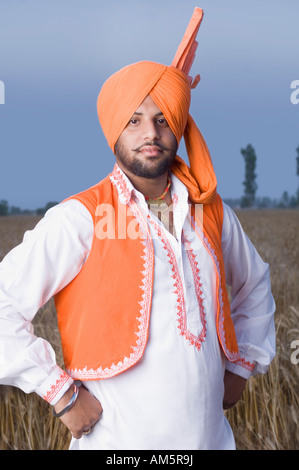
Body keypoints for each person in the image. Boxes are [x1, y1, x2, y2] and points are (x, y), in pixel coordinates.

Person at [0, 8, 275, 450]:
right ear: (114, 130)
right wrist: (62, 395)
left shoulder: (209, 210)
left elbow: (255, 284)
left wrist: (242, 367)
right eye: (134, 119)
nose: (151, 133)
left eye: (164, 118)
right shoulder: (81, 217)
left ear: (179, 125)